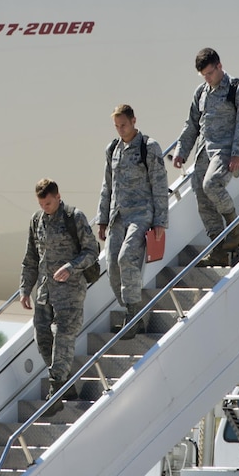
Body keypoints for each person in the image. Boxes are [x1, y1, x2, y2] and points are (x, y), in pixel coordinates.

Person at [171, 48, 239, 266]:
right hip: (203, 150)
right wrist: (182, 150)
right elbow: (191, 124)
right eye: (204, 75)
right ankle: (218, 245)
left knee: (212, 184)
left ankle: (234, 224)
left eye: (210, 73)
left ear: (219, 66)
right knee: (200, 193)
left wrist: (238, 153)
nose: (208, 79)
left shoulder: (237, 90)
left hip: (225, 150)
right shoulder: (201, 92)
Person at [21, 177, 100, 398]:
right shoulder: (37, 220)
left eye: (48, 203)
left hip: (71, 290)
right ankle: (66, 386)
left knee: (64, 336)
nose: (45, 208)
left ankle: (56, 389)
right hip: (45, 291)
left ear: (58, 196)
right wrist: (25, 289)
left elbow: (92, 251)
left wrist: (71, 266)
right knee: (43, 339)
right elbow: (30, 258)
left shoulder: (73, 217)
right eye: (41, 204)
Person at [96, 104, 167, 319]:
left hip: (141, 214)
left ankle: (134, 312)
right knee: (111, 263)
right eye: (116, 126)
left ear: (134, 121)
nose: (120, 130)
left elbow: (160, 184)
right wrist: (102, 219)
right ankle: (129, 307)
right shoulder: (112, 149)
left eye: (123, 125)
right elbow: (107, 185)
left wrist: (160, 220)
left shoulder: (149, 147)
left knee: (126, 257)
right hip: (118, 215)